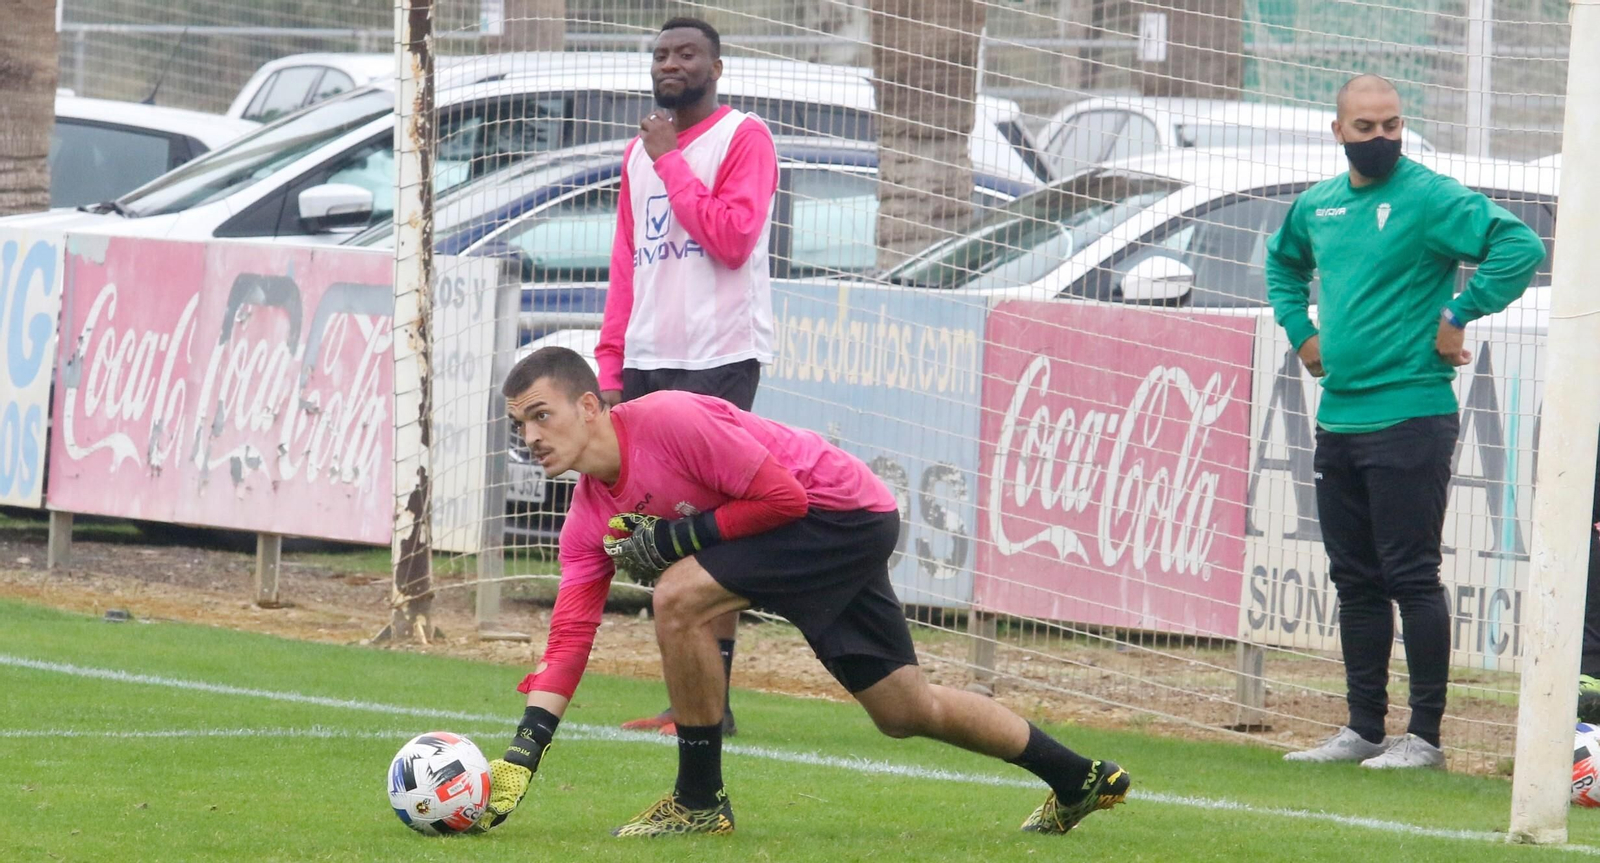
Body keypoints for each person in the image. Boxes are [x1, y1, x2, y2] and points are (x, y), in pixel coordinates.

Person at [477, 346, 1130, 836]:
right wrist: (521, 755)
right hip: (810, 537)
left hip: (839, 513)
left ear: (589, 405)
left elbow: (784, 498)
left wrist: (678, 542)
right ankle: (1078, 776)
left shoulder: (669, 418)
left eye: (542, 415)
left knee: (676, 596)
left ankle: (699, 802)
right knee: (905, 711)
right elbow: (569, 637)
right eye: (520, 424)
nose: (531, 437)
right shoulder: (588, 518)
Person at [1266, 74, 1545, 768]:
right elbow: (1281, 266)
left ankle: (1424, 738)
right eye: (1366, 127)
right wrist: (1301, 330)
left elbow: (1519, 246)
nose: (1382, 137)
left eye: (1391, 124)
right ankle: (1362, 728)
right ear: (1339, 133)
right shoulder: (1319, 206)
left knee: (1411, 575)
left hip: (1413, 414)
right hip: (1340, 418)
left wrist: (1458, 312)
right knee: (1353, 577)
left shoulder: (1427, 196)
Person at [598, 15, 780, 739]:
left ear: (716, 67)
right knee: (655, 532)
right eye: (661, 54)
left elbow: (732, 239)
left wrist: (672, 159)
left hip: (718, 357)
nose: (670, 64)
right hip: (647, 358)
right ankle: (689, 700)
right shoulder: (638, 153)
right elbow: (625, 265)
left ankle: (711, 706)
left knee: (706, 535)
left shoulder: (744, 138)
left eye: (686, 54)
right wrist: (612, 364)